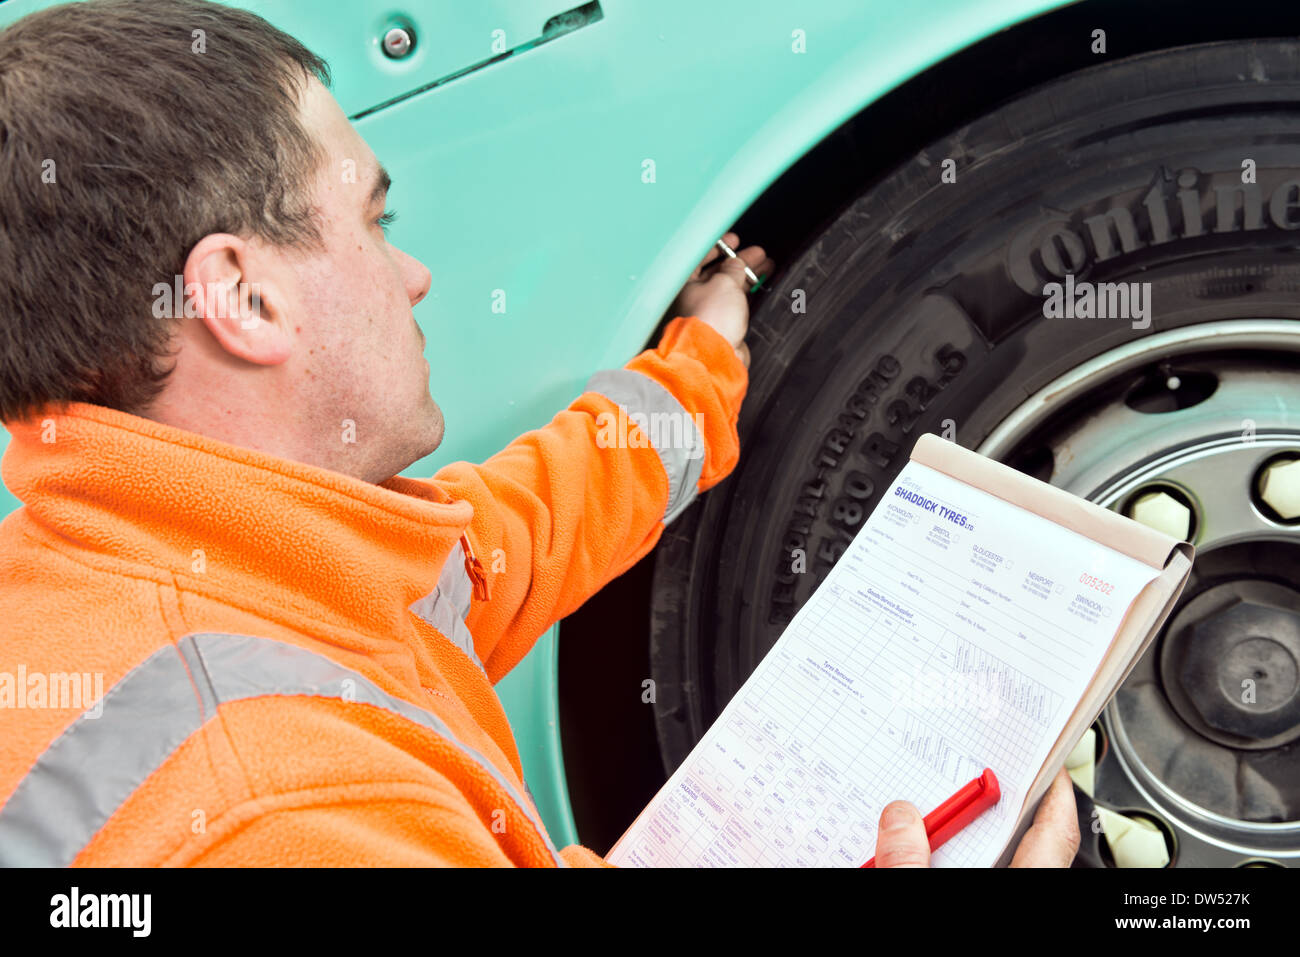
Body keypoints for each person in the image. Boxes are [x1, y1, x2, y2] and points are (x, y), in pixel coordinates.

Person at [0, 0, 1076, 867]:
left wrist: (701, 365)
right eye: (374, 222)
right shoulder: (283, 810)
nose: (410, 275)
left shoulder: (153, 574)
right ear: (244, 299)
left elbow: (515, 531)